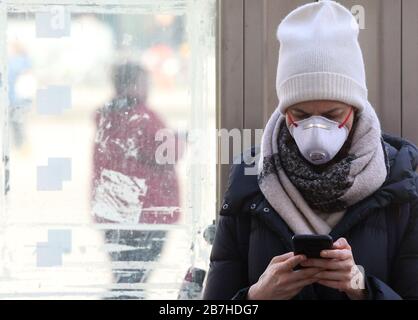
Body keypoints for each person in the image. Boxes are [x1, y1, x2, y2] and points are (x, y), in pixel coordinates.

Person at [203, 0, 418, 300]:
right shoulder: (249, 179)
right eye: (301, 115)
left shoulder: (400, 181)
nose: (316, 130)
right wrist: (255, 297)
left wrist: (362, 287)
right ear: (285, 110)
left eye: (331, 114)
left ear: (355, 109)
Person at [91, 62, 182, 299]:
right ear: (134, 85)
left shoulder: (107, 117)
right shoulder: (141, 117)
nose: (148, 87)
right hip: (146, 214)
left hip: (113, 211)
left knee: (125, 277)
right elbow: (165, 151)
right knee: (133, 281)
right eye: (145, 82)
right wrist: (180, 139)